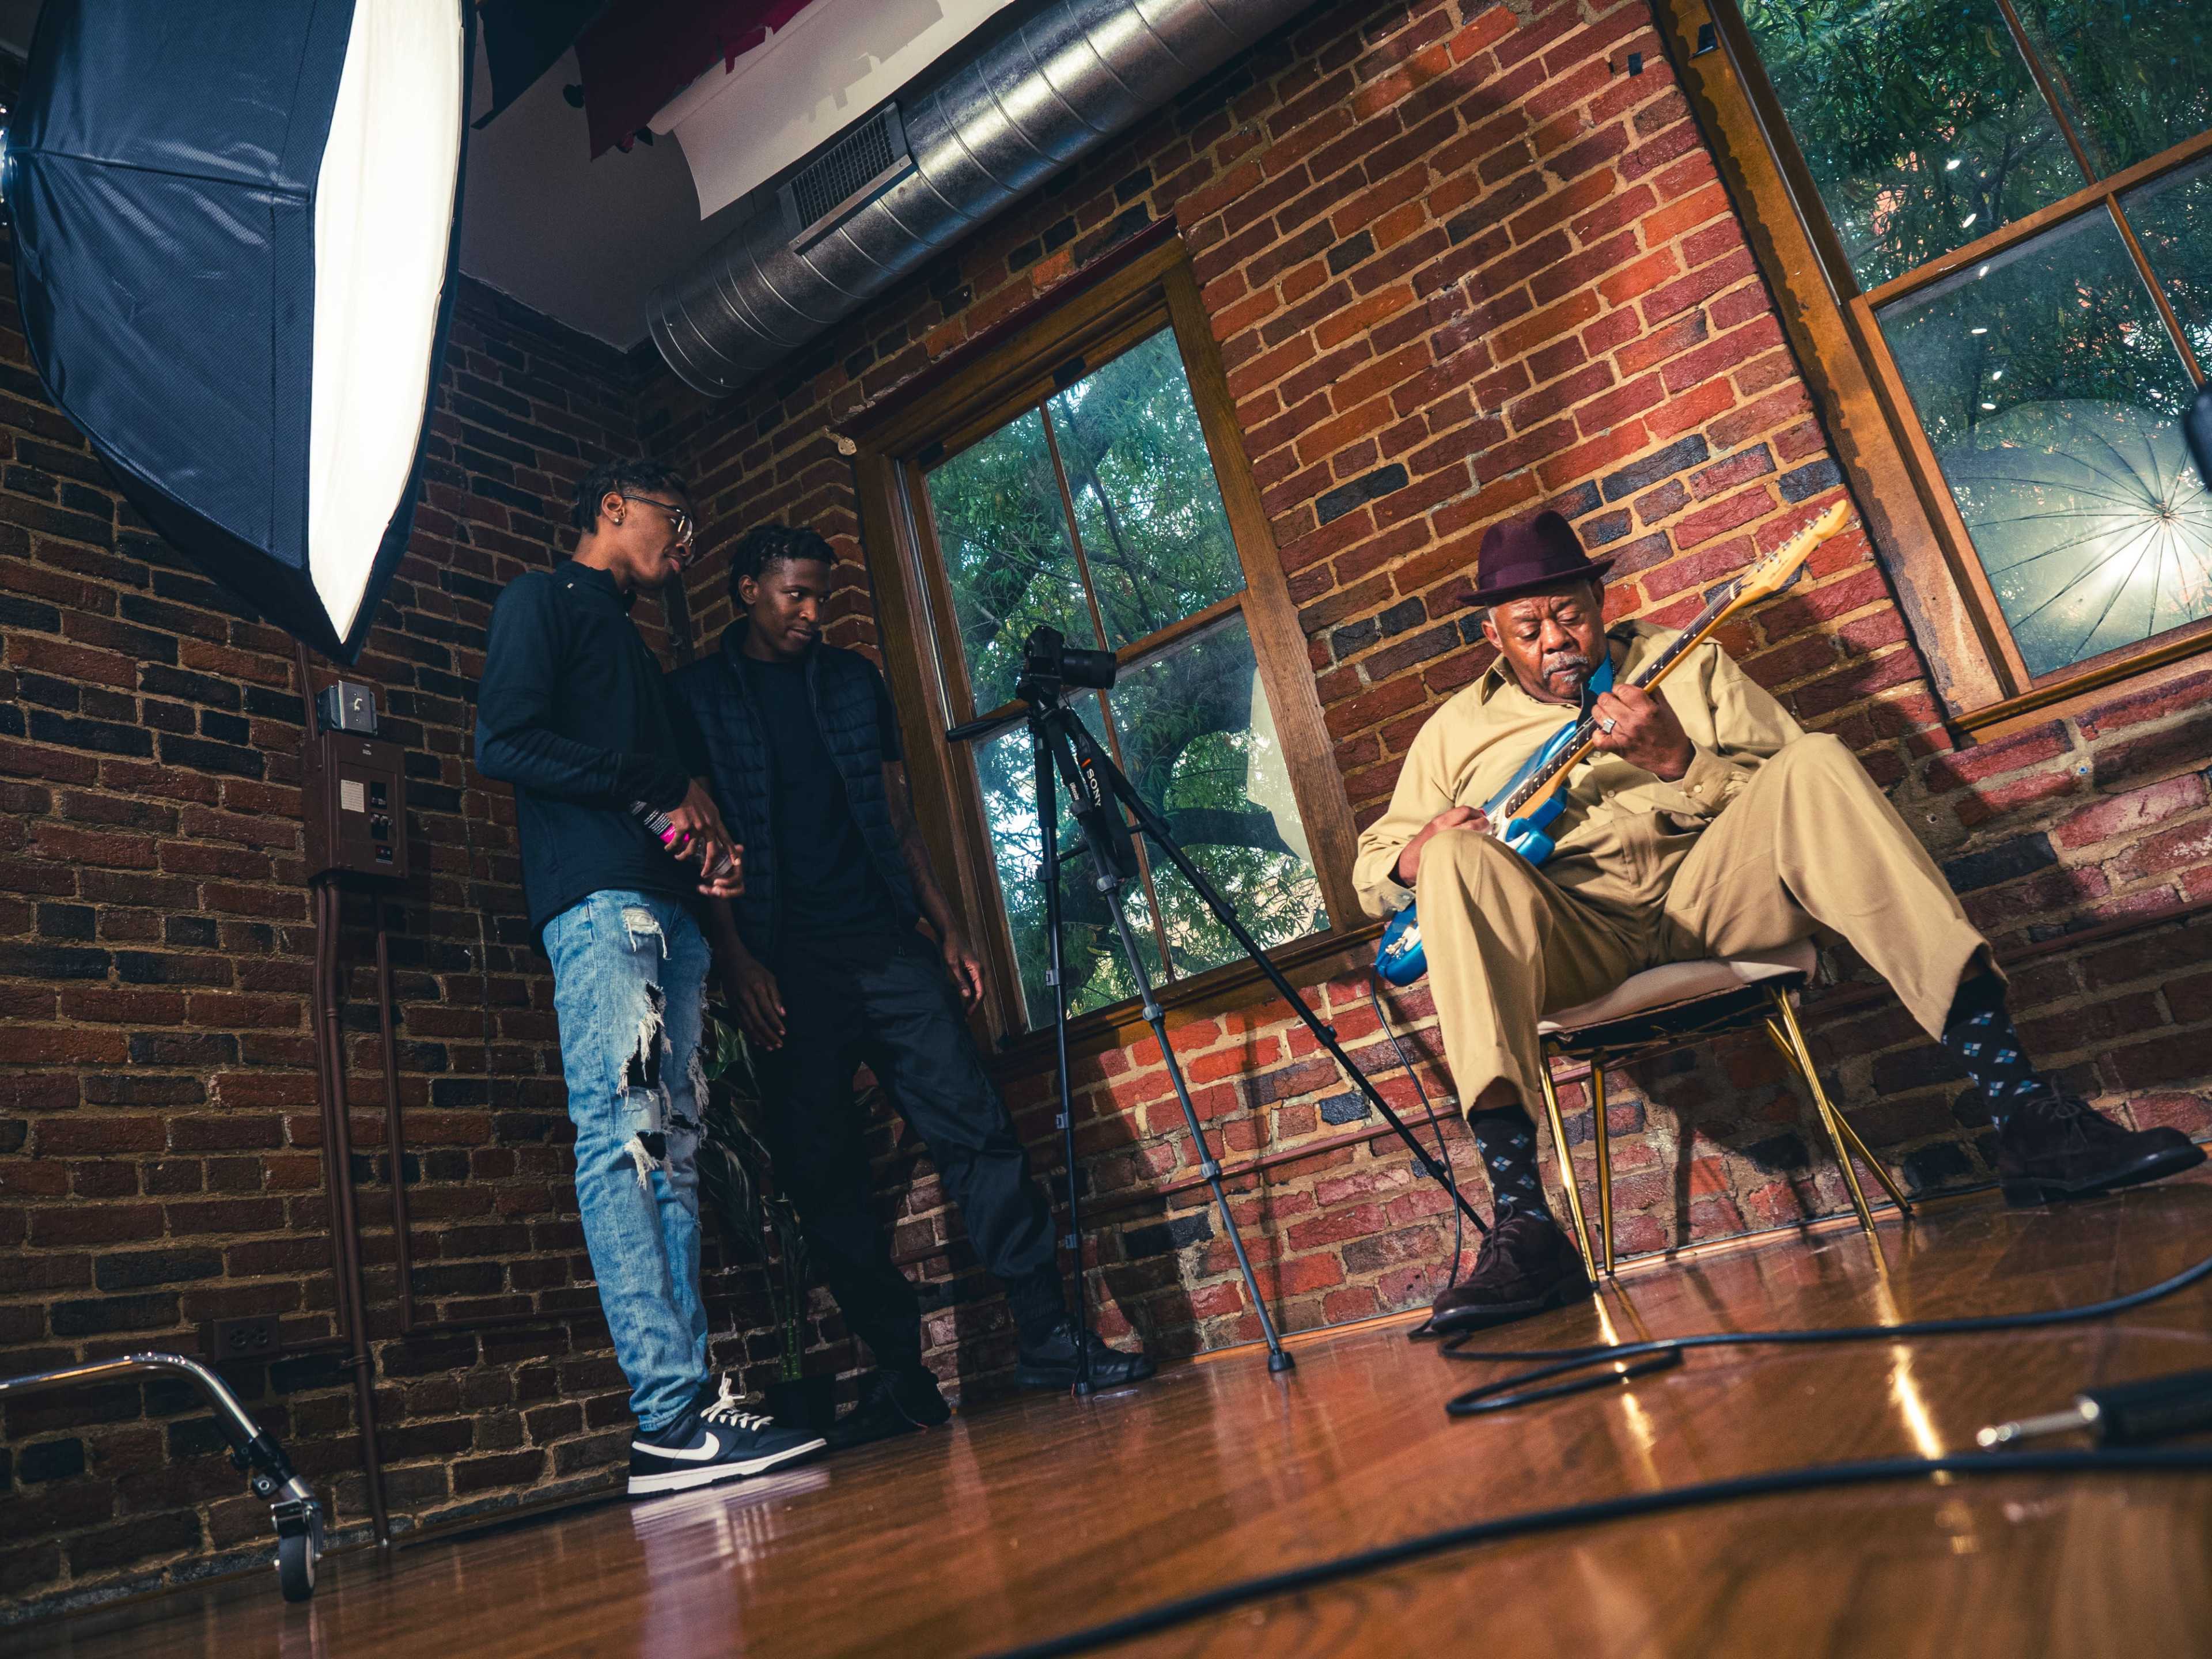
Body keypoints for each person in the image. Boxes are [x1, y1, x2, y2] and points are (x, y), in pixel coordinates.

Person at [1355, 508, 2205, 1335]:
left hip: (1713, 897)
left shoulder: (1685, 664)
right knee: (1457, 861)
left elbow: (1789, 784)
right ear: (1493, 637)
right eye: (1529, 626)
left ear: (1599, 605)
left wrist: (1678, 760)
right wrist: (1411, 855)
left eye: (1569, 616)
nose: (1555, 641)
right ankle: (1527, 1229)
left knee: (1820, 762)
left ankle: (2024, 1112)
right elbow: (1370, 874)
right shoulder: (1453, 732)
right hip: (1571, 938)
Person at [666, 523, 1154, 1449]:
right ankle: (902, 1378)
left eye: (820, 596)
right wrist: (736, 961)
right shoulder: (692, 698)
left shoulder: (854, 684)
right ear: (745, 591)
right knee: (826, 1183)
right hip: (783, 963)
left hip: (887, 945)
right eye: (793, 595)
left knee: (978, 1132)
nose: (813, 613)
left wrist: (949, 924)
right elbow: (705, 840)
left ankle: (1049, 1336)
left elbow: (897, 816)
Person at [476, 461, 826, 1495]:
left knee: (672, 1153)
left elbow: (656, 795)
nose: (688, 540)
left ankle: (685, 1411)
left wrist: (704, 849)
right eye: (679, 517)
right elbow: (505, 741)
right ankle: (666, 1416)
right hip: (598, 909)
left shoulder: (634, 648)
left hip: (666, 915)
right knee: (625, 1142)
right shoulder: (542, 602)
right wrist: (658, 782)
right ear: (612, 507)